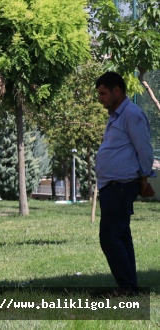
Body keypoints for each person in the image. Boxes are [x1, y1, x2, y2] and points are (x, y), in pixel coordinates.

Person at [95, 71, 154, 295]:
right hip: (112, 185)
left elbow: (145, 151)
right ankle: (130, 286)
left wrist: (143, 180)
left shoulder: (132, 114)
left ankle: (127, 287)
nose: (100, 99)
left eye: (103, 94)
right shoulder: (116, 116)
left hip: (121, 185)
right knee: (120, 236)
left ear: (116, 91)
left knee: (109, 237)